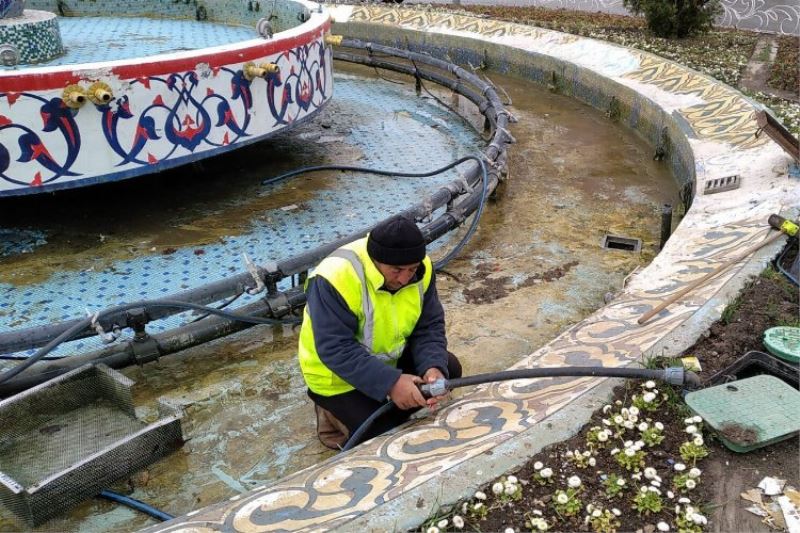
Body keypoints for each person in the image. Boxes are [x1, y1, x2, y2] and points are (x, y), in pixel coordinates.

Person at [298, 215, 462, 449]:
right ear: (375, 260)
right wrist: (392, 384)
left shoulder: (420, 268)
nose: (406, 278)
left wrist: (432, 367)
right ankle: (330, 416)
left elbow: (428, 326)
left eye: (411, 269)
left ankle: (392, 397)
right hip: (338, 376)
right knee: (381, 434)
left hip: (387, 359)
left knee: (449, 370)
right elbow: (336, 349)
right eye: (397, 270)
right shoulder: (335, 278)